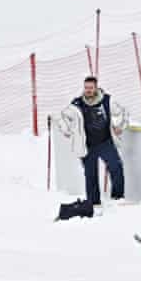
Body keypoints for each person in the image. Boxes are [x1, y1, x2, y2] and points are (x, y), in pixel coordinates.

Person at [57, 76, 129, 209]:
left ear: (96, 88)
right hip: (87, 145)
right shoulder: (77, 104)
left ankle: (118, 198)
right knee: (90, 174)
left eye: (91, 88)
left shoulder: (107, 100)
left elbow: (123, 112)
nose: (88, 90)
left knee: (116, 167)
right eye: (86, 87)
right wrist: (67, 130)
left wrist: (120, 126)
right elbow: (61, 117)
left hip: (105, 142)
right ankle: (94, 203)